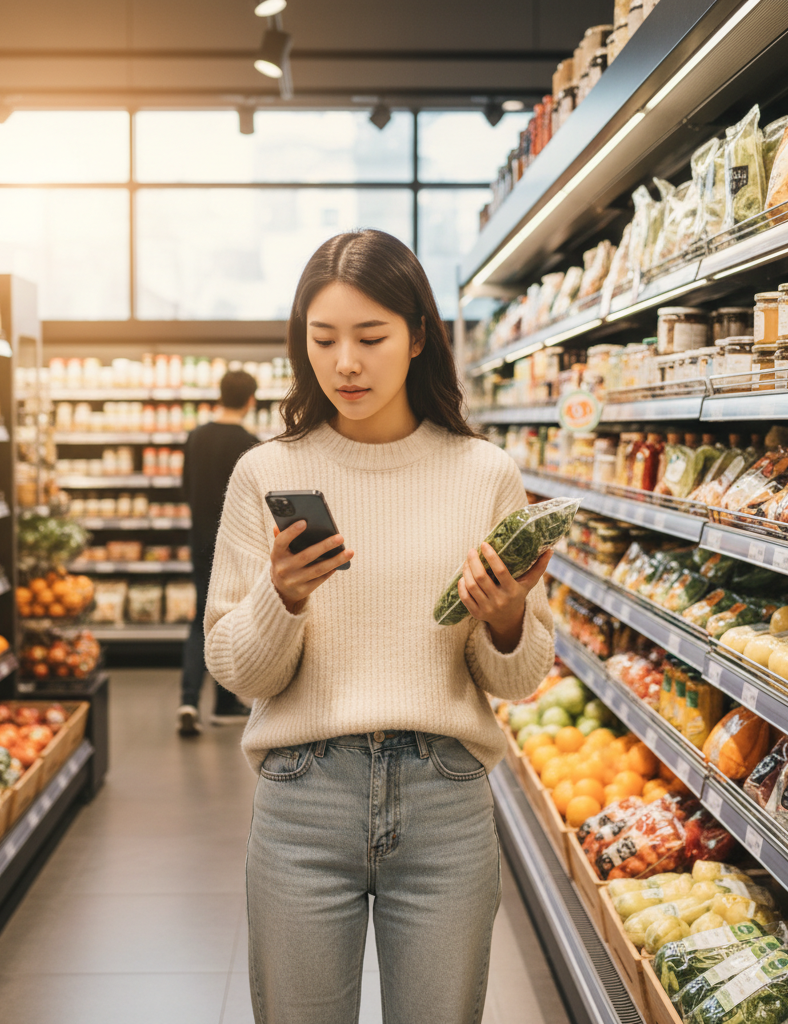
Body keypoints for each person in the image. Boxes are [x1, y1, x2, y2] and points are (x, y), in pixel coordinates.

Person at [204, 230, 555, 1024]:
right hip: (303, 799)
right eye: (322, 339)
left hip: (446, 799)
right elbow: (235, 668)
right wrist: (281, 599)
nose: (345, 364)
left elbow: (520, 678)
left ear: (419, 335)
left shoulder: (484, 473)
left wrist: (506, 622)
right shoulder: (267, 473)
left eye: (371, 337)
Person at [177, 369, 258, 735]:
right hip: (234, 545)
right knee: (231, 615)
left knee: (200, 617)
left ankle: (188, 699)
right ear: (250, 401)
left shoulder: (196, 437)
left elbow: (186, 487)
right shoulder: (249, 442)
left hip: (199, 539)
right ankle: (225, 701)